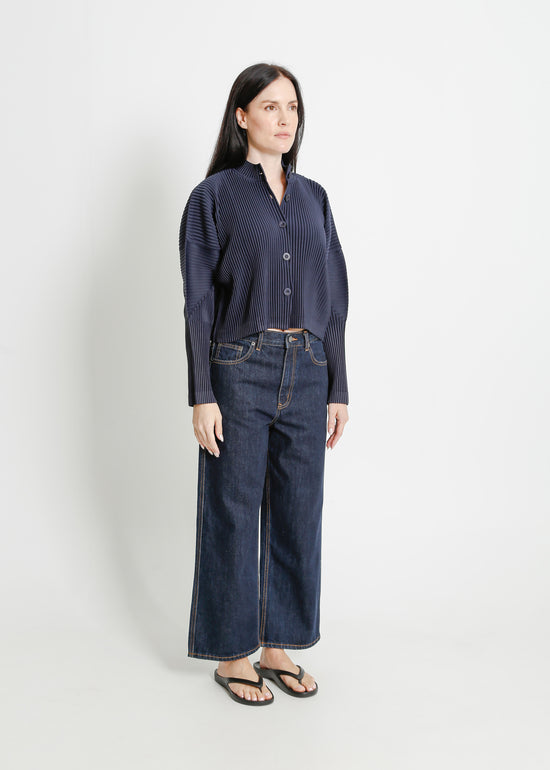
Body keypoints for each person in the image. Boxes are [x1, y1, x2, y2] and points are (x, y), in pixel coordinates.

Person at [178, 62, 350, 706]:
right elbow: (198, 302)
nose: (285, 119)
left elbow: (334, 295)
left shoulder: (314, 198)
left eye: (293, 108)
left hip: (308, 369)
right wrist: (202, 392)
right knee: (232, 510)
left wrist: (338, 385)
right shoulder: (213, 197)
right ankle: (232, 654)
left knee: (299, 511)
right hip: (238, 369)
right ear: (242, 115)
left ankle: (278, 645)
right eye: (271, 106)